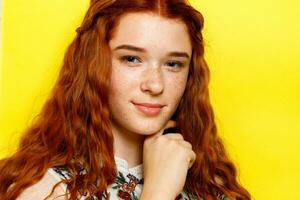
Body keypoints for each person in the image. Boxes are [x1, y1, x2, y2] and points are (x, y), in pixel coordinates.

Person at [0, 0, 251, 199]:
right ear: (94, 63)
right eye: (131, 59)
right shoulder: (46, 190)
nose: (155, 84)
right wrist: (158, 193)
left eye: (173, 64)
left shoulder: (211, 186)